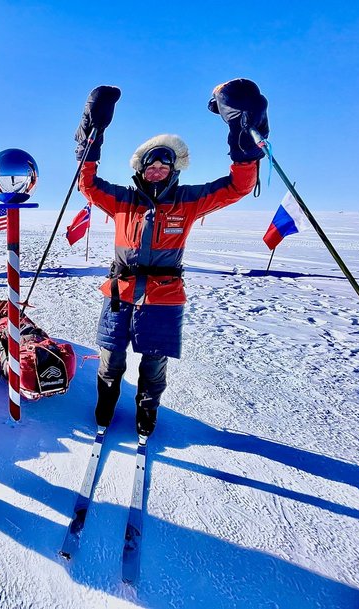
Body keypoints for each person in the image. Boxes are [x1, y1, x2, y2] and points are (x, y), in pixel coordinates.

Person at [74, 80, 270, 439]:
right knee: (110, 359)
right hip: (120, 292)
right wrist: (93, 134)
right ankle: (105, 405)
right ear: (142, 168)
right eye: (152, 162)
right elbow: (86, 184)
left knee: (153, 364)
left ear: (175, 167)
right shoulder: (122, 199)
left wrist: (241, 137)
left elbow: (237, 187)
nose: (158, 167)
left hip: (164, 297)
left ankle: (146, 413)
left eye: (165, 162)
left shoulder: (189, 200)